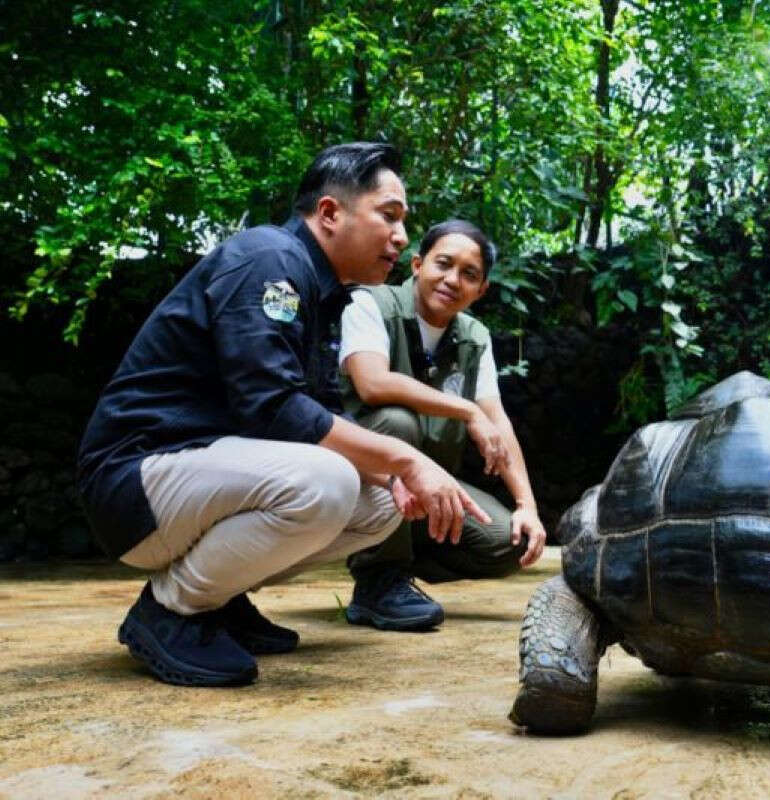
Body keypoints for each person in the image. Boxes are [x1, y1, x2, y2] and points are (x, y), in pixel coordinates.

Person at [76, 142, 489, 687]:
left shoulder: (326, 296)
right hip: (136, 479)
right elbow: (271, 407)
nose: (401, 236)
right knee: (329, 480)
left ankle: (218, 598)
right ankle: (171, 610)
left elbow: (315, 416)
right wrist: (407, 457)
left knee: (382, 502)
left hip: (202, 478)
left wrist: (394, 474)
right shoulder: (270, 259)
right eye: (388, 216)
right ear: (329, 213)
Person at [338, 219, 547, 631]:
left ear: (481, 289)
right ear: (417, 263)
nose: (453, 280)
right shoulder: (369, 303)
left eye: (469, 275)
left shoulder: (474, 337)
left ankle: (401, 560)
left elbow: (496, 419)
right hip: (359, 480)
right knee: (397, 424)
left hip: (426, 490)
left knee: (509, 542)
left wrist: (528, 506)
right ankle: (378, 578)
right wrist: (467, 411)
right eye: (443, 264)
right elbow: (373, 382)